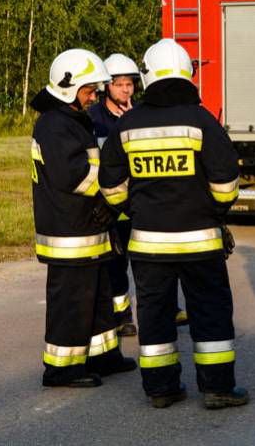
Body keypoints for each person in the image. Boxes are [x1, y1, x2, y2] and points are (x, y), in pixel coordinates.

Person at [99, 38, 248, 409]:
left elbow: (110, 186)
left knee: (155, 316)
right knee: (210, 313)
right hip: (201, 242)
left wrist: (134, 211)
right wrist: (216, 210)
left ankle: (161, 390)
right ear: (187, 74)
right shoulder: (201, 120)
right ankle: (218, 389)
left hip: (148, 244)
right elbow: (227, 178)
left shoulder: (128, 124)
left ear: (147, 77)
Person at [30, 48, 136, 388]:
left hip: (88, 227)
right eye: (88, 90)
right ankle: (62, 370)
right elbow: (73, 175)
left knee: (99, 295)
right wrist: (113, 183)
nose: (93, 97)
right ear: (67, 87)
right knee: (72, 303)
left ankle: (103, 357)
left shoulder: (71, 119)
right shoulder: (54, 124)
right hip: (69, 232)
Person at [89, 54, 188, 337]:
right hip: (114, 204)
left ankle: (169, 308)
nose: (126, 90)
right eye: (119, 84)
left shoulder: (143, 115)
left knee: (157, 262)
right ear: (106, 87)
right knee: (116, 266)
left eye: (130, 84)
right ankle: (122, 316)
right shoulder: (94, 119)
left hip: (144, 203)